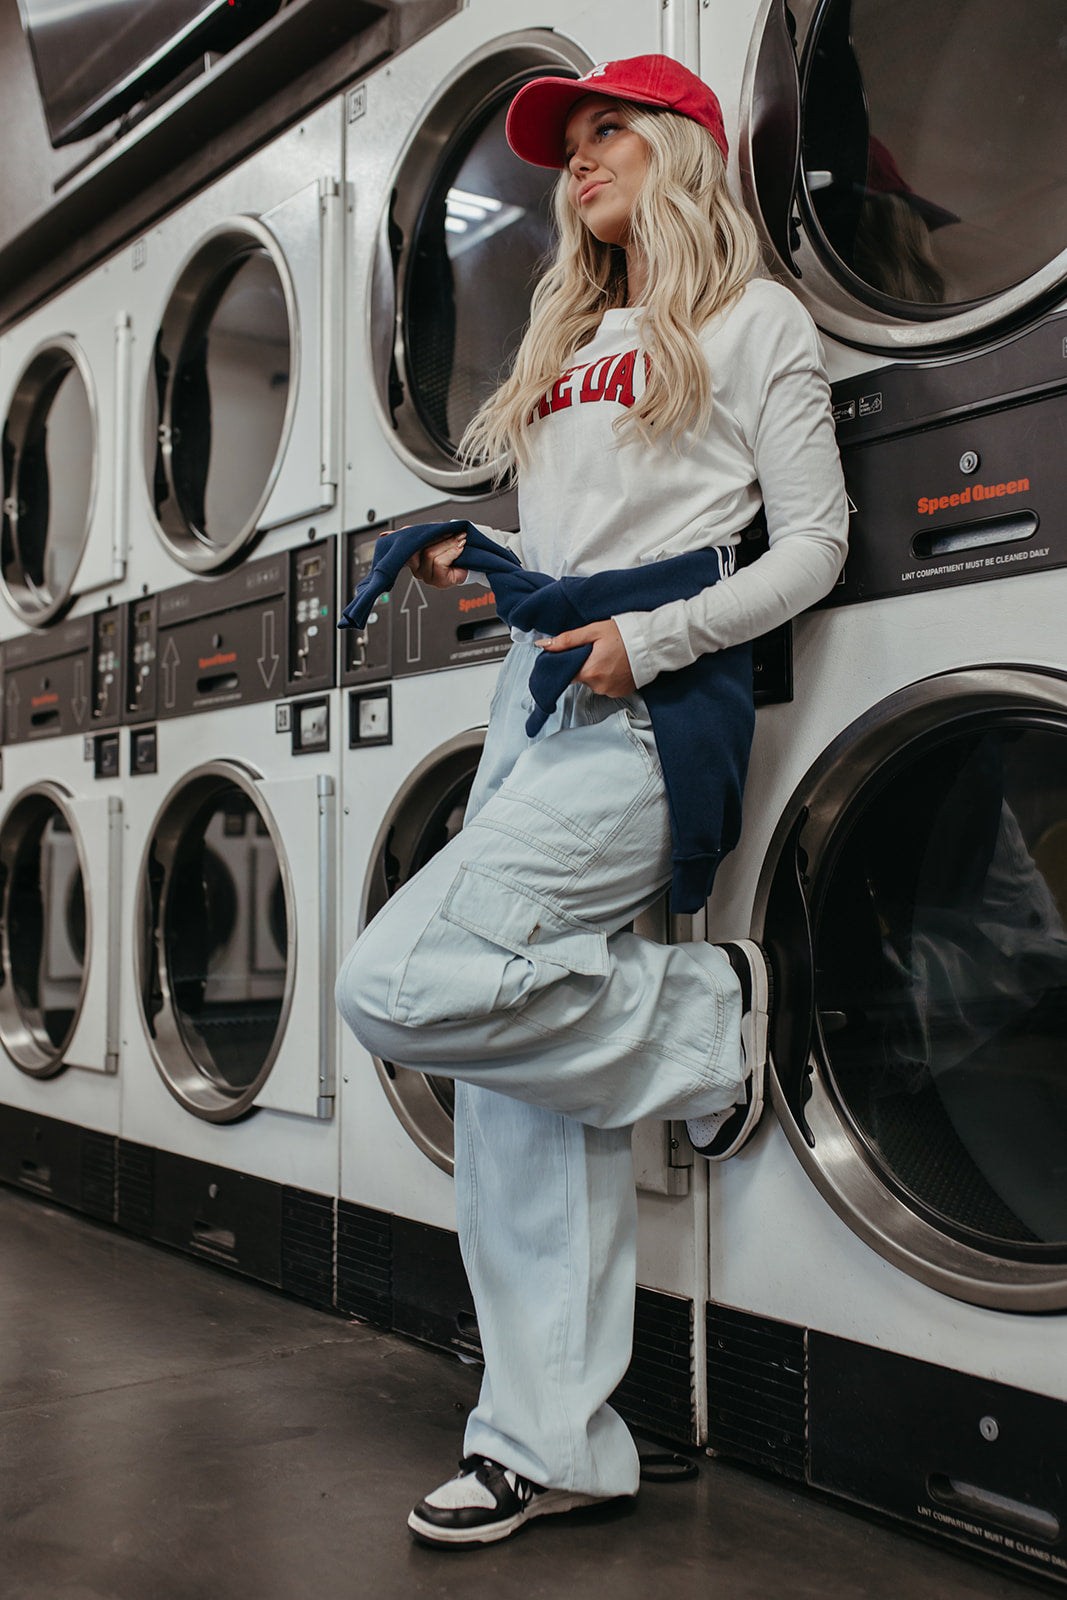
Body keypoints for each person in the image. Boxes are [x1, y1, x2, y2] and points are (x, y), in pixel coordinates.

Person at [335, 54, 848, 1547]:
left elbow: (810, 550)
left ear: (682, 147)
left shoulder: (756, 323)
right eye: (570, 149)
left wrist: (655, 641)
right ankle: (551, 1438)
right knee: (510, 1086)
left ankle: (705, 1023)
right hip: (536, 704)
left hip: (648, 712)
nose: (581, 163)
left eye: (608, 132)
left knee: (399, 981)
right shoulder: (575, 340)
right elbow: (582, 529)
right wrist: (481, 550)